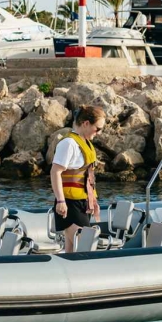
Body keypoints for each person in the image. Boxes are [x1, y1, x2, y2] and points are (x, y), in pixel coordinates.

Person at [50, 105, 105, 253]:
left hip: (83, 203)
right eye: (97, 128)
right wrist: (60, 201)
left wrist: (93, 200)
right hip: (69, 204)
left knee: (72, 248)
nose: (98, 133)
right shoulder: (69, 144)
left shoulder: (85, 143)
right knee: (84, 244)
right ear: (86, 123)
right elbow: (55, 172)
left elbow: (88, 178)